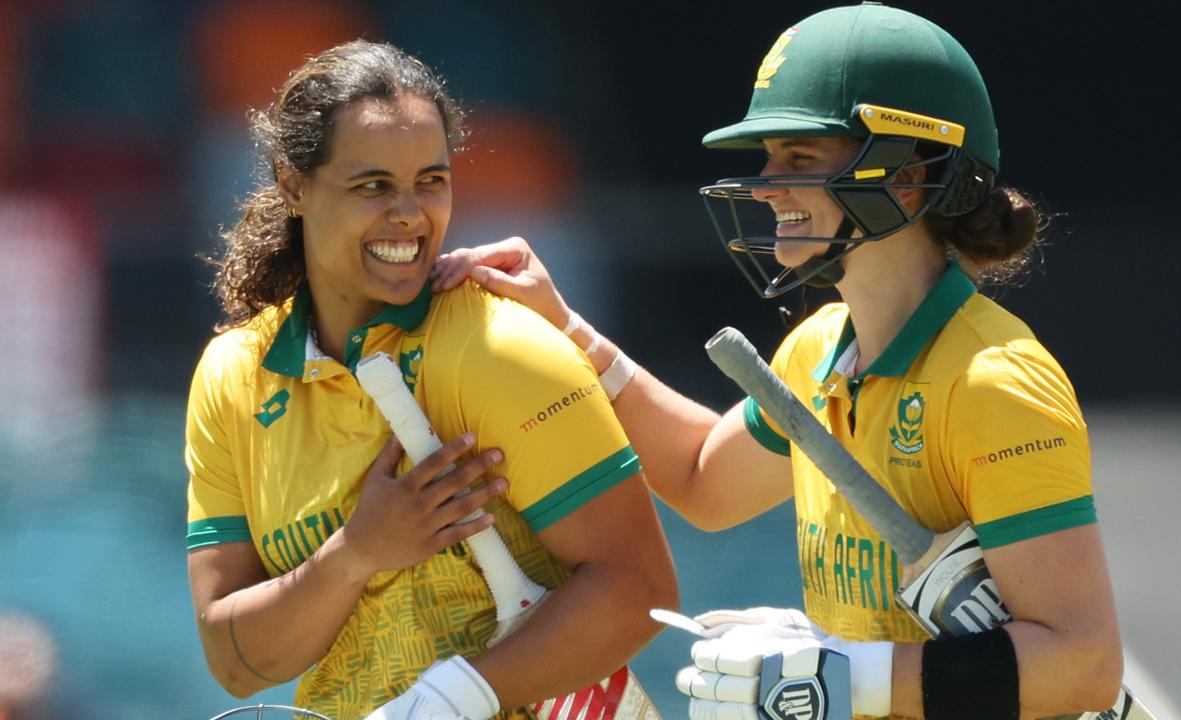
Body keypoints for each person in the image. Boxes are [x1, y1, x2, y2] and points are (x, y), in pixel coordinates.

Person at [430, 4, 1125, 719]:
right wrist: (564, 324)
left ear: (906, 177)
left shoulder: (995, 381)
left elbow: (1082, 664)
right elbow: (704, 482)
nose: (765, 185)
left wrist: (848, 674)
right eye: (766, 158)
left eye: (797, 158)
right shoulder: (819, 348)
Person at [184, 40, 677, 720]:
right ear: (294, 186)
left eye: (431, 181)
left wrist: (454, 697)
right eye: (373, 185)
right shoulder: (232, 375)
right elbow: (234, 662)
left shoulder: (499, 348)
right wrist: (357, 552)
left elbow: (638, 589)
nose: (411, 214)